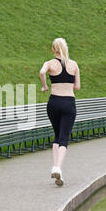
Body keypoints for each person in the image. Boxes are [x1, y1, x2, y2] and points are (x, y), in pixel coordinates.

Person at [39, 38, 80, 186]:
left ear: (53, 49)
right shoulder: (73, 64)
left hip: (53, 102)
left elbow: (41, 72)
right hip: (68, 103)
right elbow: (77, 86)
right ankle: (58, 167)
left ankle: (56, 168)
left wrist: (44, 86)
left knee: (57, 135)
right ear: (65, 48)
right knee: (64, 138)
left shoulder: (49, 64)